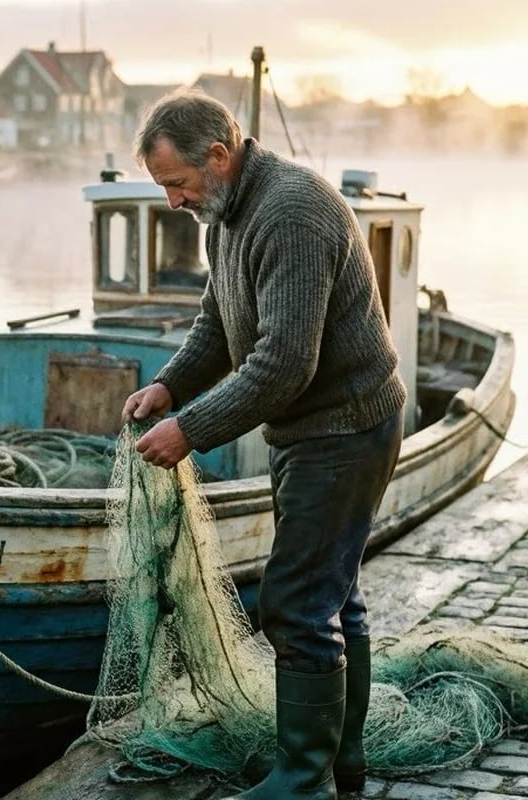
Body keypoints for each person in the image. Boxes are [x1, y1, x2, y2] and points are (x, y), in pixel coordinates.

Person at [120, 89, 406, 800]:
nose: (174, 201)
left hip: (347, 426)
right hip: (309, 428)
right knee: (334, 599)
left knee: (298, 603)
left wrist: (188, 431)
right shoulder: (224, 215)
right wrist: (169, 387)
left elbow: (283, 363)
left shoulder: (292, 211)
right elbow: (219, 324)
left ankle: (301, 781)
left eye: (178, 184)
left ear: (219, 155)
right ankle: (340, 769)